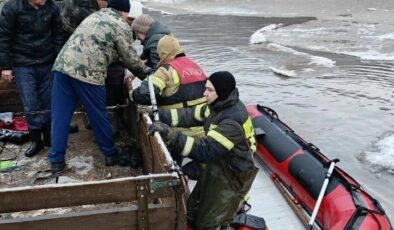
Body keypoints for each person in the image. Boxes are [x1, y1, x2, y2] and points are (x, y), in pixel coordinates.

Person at [148, 71, 258, 229]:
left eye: (210, 90)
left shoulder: (231, 121)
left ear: (222, 92)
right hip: (218, 164)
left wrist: (171, 134)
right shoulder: (215, 106)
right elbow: (187, 115)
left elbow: (204, 151)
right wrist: (156, 114)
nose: (204, 93)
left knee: (209, 224)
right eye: (205, 88)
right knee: (192, 210)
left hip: (233, 176)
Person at [48, 0, 145, 172]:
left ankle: (56, 160)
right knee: (97, 115)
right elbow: (130, 58)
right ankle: (109, 154)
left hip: (62, 68)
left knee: (60, 116)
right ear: (124, 13)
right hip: (88, 73)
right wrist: (146, 73)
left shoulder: (94, 16)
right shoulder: (119, 24)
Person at [0, 0, 64, 157]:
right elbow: (3, 38)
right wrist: (5, 67)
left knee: (49, 100)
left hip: (47, 61)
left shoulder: (52, 7)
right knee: (30, 103)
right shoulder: (12, 8)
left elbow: (58, 34)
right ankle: (37, 141)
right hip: (23, 63)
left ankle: (49, 138)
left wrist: (59, 60)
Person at [130, 35, 207, 110]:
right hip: (203, 118)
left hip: (176, 120)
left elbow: (143, 95)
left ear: (162, 53)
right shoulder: (194, 65)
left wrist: (131, 94)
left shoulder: (165, 71)